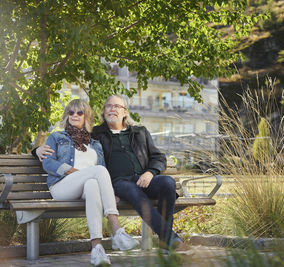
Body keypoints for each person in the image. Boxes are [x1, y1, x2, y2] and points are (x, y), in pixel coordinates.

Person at [36, 95, 189, 251]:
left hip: (142, 179)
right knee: (131, 189)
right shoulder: (96, 134)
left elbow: (158, 157)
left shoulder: (139, 132)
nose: (112, 109)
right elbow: (66, 143)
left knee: (168, 183)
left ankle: (165, 239)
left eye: (117, 106)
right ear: (103, 112)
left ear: (125, 112)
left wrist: (150, 172)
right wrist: (37, 150)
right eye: (109, 106)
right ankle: (171, 240)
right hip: (119, 183)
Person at [40, 99, 139, 266]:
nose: (74, 115)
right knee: (97, 172)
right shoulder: (56, 137)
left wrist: (109, 192)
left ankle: (97, 249)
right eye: (71, 112)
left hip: (86, 187)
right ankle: (116, 228)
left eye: (79, 112)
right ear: (66, 116)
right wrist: (71, 171)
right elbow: (47, 163)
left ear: (87, 116)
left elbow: (101, 172)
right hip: (62, 186)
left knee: (93, 183)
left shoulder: (95, 144)